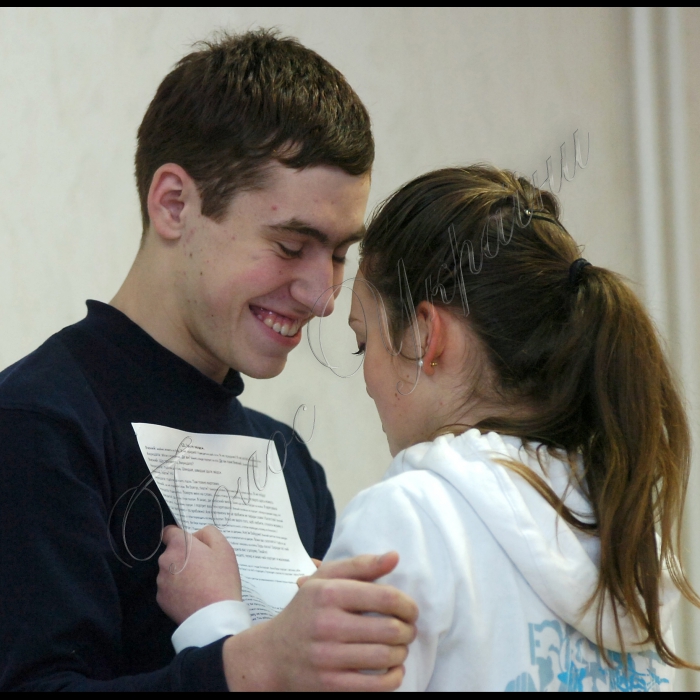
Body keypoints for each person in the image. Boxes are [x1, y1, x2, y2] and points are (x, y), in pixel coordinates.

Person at [158, 164, 699, 691]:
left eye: (363, 341)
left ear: (424, 338)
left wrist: (216, 625)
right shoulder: (634, 539)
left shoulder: (409, 521)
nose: (367, 379)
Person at [0, 30, 417, 692]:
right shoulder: (37, 426)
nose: (323, 296)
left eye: (338, 253)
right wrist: (256, 663)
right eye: (289, 245)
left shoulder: (289, 462)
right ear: (174, 204)